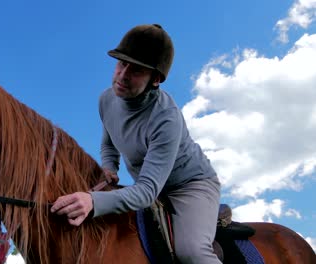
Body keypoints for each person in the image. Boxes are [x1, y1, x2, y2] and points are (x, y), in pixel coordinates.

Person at [51, 24, 221, 263]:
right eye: (121, 63)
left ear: (156, 79)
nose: (122, 75)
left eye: (137, 70)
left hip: (190, 186)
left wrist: (92, 200)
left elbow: (146, 193)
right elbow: (109, 141)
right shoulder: (107, 99)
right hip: (149, 185)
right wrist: (109, 167)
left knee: (192, 252)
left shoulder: (166, 118)